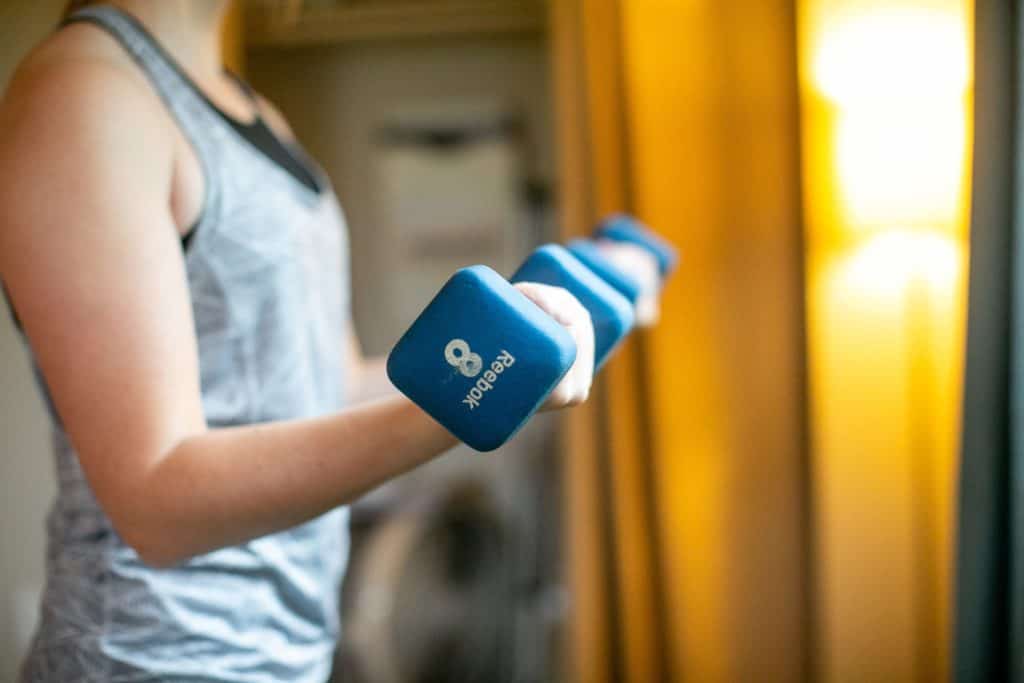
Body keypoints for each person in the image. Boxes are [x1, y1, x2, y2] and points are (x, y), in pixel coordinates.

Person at [0, 1, 660, 681]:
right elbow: (156, 500)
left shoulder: (249, 109)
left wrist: (538, 323)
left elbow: (326, 388)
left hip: (287, 650)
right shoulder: (83, 94)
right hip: (156, 657)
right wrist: (475, 389)